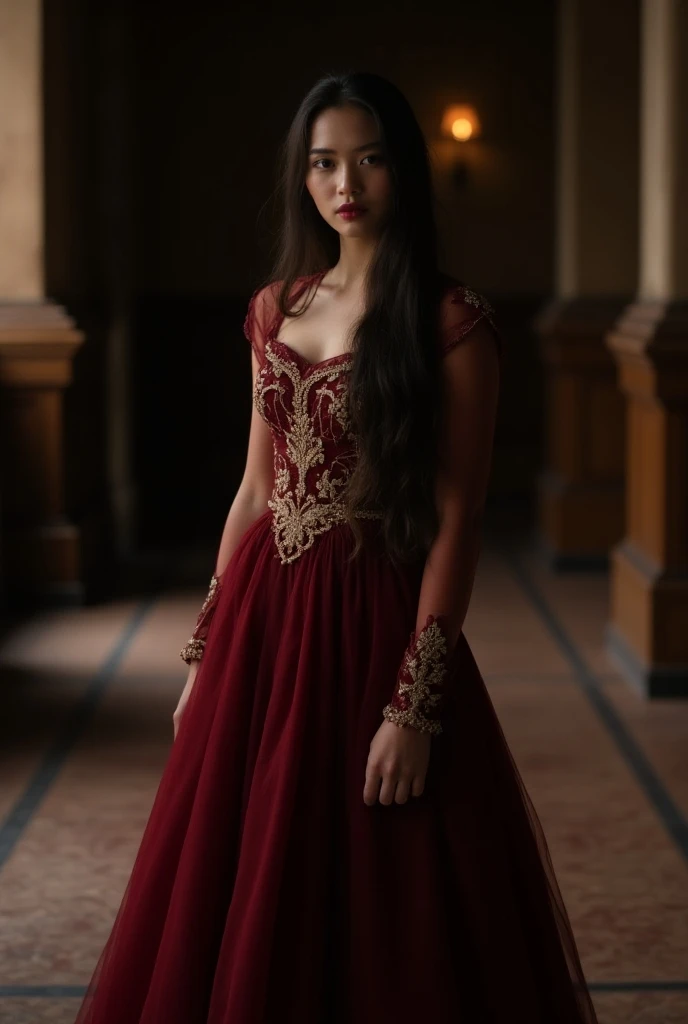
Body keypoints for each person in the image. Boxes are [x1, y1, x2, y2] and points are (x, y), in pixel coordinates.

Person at [75, 71, 598, 1024]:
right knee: (238, 875)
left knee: (387, 889)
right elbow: (252, 491)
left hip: (373, 626)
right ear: (301, 177)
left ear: (404, 168)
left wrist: (417, 705)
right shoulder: (275, 309)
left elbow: (458, 518)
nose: (344, 182)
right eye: (322, 163)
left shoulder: (452, 323)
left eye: (369, 158)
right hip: (263, 628)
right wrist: (202, 651)